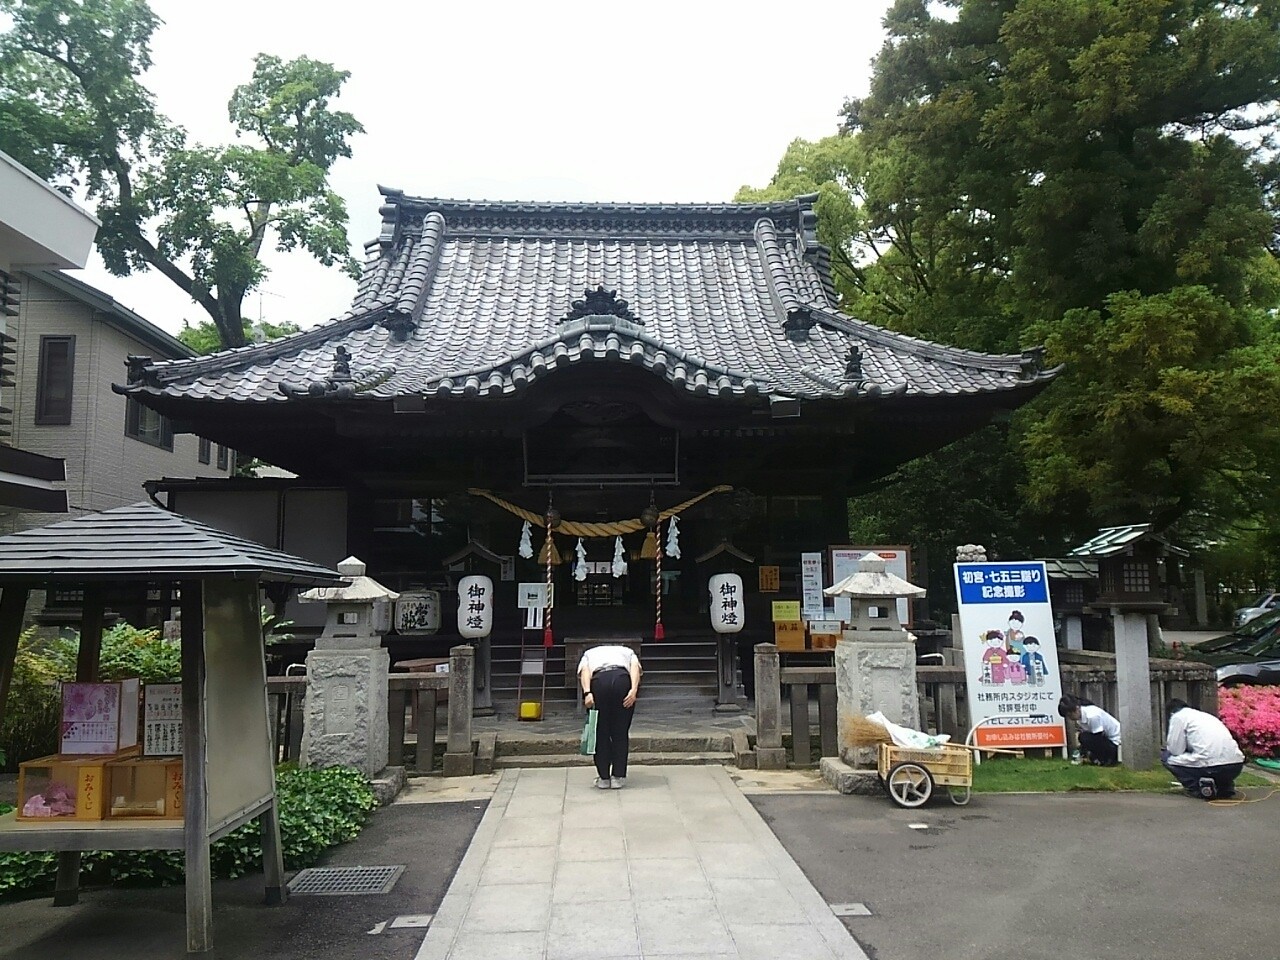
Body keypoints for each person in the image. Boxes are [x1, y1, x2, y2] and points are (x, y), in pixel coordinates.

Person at [577, 643, 642, 789]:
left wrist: (587, 693)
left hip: (600, 682)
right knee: (620, 731)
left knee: (600, 732)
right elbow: (635, 668)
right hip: (621, 681)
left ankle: (604, 778)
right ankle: (618, 777)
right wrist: (633, 691)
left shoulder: (590, 653)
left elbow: (585, 671)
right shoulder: (627, 651)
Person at [1161, 699, 1245, 800]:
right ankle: (1225, 788)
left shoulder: (1177, 717)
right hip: (1235, 766)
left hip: (1210, 767)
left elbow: (1175, 750)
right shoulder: (1206, 716)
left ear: (1171, 713)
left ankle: (1195, 788)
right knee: (1212, 758)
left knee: (1166, 757)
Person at [1057, 694, 1121, 766]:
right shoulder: (1080, 718)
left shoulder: (1092, 716)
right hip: (1107, 740)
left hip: (1116, 742)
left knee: (1084, 737)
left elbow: (1098, 737)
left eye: (1070, 715)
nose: (1070, 718)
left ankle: (1107, 758)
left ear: (1077, 708)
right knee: (1083, 737)